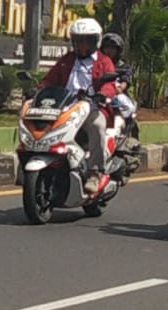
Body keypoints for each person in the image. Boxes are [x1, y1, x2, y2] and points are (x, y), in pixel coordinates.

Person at [39, 17, 119, 196]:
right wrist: (37, 90)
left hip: (91, 108)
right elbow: (50, 80)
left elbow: (110, 84)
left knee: (98, 126)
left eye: (87, 40)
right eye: (78, 40)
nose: (82, 45)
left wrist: (103, 94)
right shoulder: (67, 60)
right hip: (64, 107)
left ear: (95, 41)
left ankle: (95, 173)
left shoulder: (103, 61)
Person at [98, 32, 138, 135]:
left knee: (129, 107)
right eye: (107, 47)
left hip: (117, 94)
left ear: (118, 50)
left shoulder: (123, 66)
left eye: (113, 48)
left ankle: (122, 128)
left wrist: (118, 88)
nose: (109, 50)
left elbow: (125, 82)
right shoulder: (97, 63)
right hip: (97, 94)